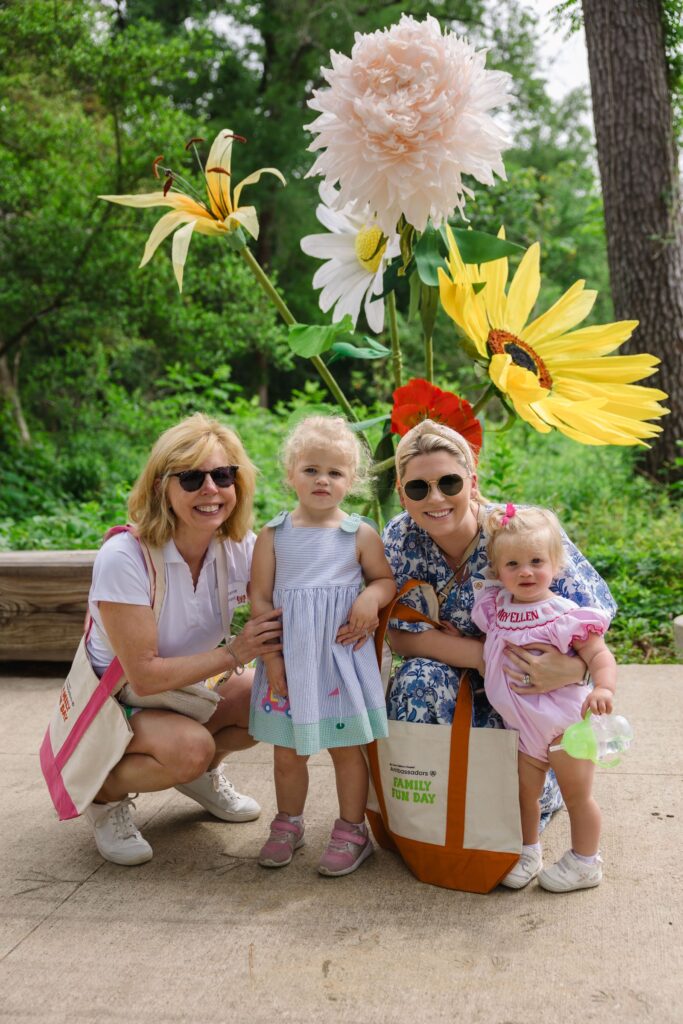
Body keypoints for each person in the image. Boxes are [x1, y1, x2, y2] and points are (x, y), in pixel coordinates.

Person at [383, 419, 617, 833]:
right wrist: (490, 658)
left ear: (472, 482)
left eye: (449, 483)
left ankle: (512, 805)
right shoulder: (401, 540)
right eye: (419, 488)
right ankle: (431, 814)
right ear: (403, 494)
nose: (435, 498)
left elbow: (593, 608)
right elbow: (398, 634)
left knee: (514, 806)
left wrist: (576, 669)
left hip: (532, 694)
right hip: (462, 679)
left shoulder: (517, 532)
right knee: (416, 680)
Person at [81, 413, 282, 865]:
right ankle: (102, 797)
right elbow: (145, 677)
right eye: (191, 478)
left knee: (264, 699)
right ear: (161, 489)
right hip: (120, 700)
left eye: (223, 475)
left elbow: (296, 591)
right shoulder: (123, 557)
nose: (210, 489)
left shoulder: (237, 546)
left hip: (185, 692)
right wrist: (234, 652)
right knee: (190, 747)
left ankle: (199, 776)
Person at [248, 415, 396, 876]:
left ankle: (353, 830)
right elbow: (260, 599)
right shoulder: (274, 536)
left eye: (335, 472)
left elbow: (385, 580)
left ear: (351, 481)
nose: (322, 480)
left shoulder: (358, 533)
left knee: (346, 751)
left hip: (339, 663)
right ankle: (288, 824)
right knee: (287, 754)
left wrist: (371, 598)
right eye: (311, 469)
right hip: (290, 664)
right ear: (291, 472)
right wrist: (272, 659)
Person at [472, 504, 617, 892]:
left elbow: (599, 655)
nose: (525, 571)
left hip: (565, 725)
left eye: (537, 561)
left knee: (577, 796)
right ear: (497, 571)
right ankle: (527, 849)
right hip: (521, 729)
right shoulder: (496, 609)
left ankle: (586, 862)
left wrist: (603, 687)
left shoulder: (564, 615)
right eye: (513, 563)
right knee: (523, 795)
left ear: (555, 564)